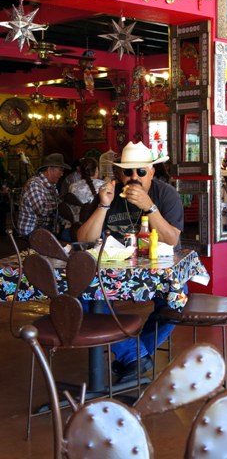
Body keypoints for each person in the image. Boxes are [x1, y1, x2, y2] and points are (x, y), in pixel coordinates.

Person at [77, 141, 184, 382]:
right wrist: (103, 205)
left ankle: (133, 355)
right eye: (128, 171)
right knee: (79, 293)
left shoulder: (166, 194)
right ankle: (135, 356)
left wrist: (150, 208)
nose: (134, 177)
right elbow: (84, 239)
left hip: (156, 273)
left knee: (177, 297)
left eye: (141, 171)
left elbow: (172, 239)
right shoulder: (110, 194)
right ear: (119, 174)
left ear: (152, 172)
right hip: (113, 274)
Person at [17, 153, 70, 238]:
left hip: (44, 228)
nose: (62, 174)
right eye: (60, 170)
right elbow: (42, 210)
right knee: (67, 238)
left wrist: (66, 221)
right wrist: (62, 202)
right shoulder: (34, 184)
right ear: (49, 169)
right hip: (31, 230)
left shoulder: (52, 185)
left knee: (68, 233)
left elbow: (56, 211)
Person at [67, 157, 105, 223]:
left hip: (77, 224)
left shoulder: (72, 186)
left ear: (81, 171)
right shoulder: (104, 185)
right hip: (97, 223)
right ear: (96, 170)